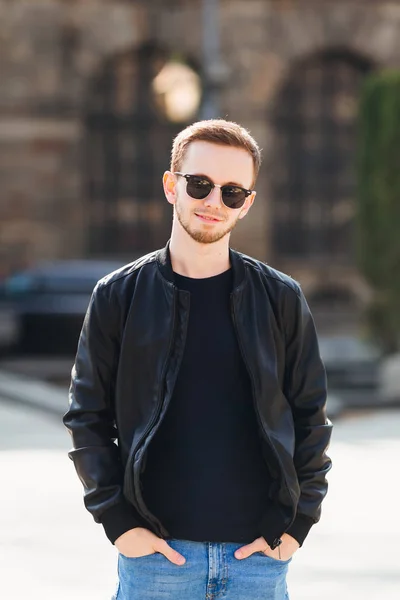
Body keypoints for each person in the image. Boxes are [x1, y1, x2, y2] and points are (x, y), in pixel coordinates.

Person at [63, 119, 333, 600]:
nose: (214, 202)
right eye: (200, 184)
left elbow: (311, 419)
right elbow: (87, 418)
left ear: (247, 204)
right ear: (172, 185)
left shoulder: (281, 299)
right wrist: (120, 524)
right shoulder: (118, 296)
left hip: (258, 562)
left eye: (232, 192)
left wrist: (296, 527)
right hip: (157, 563)